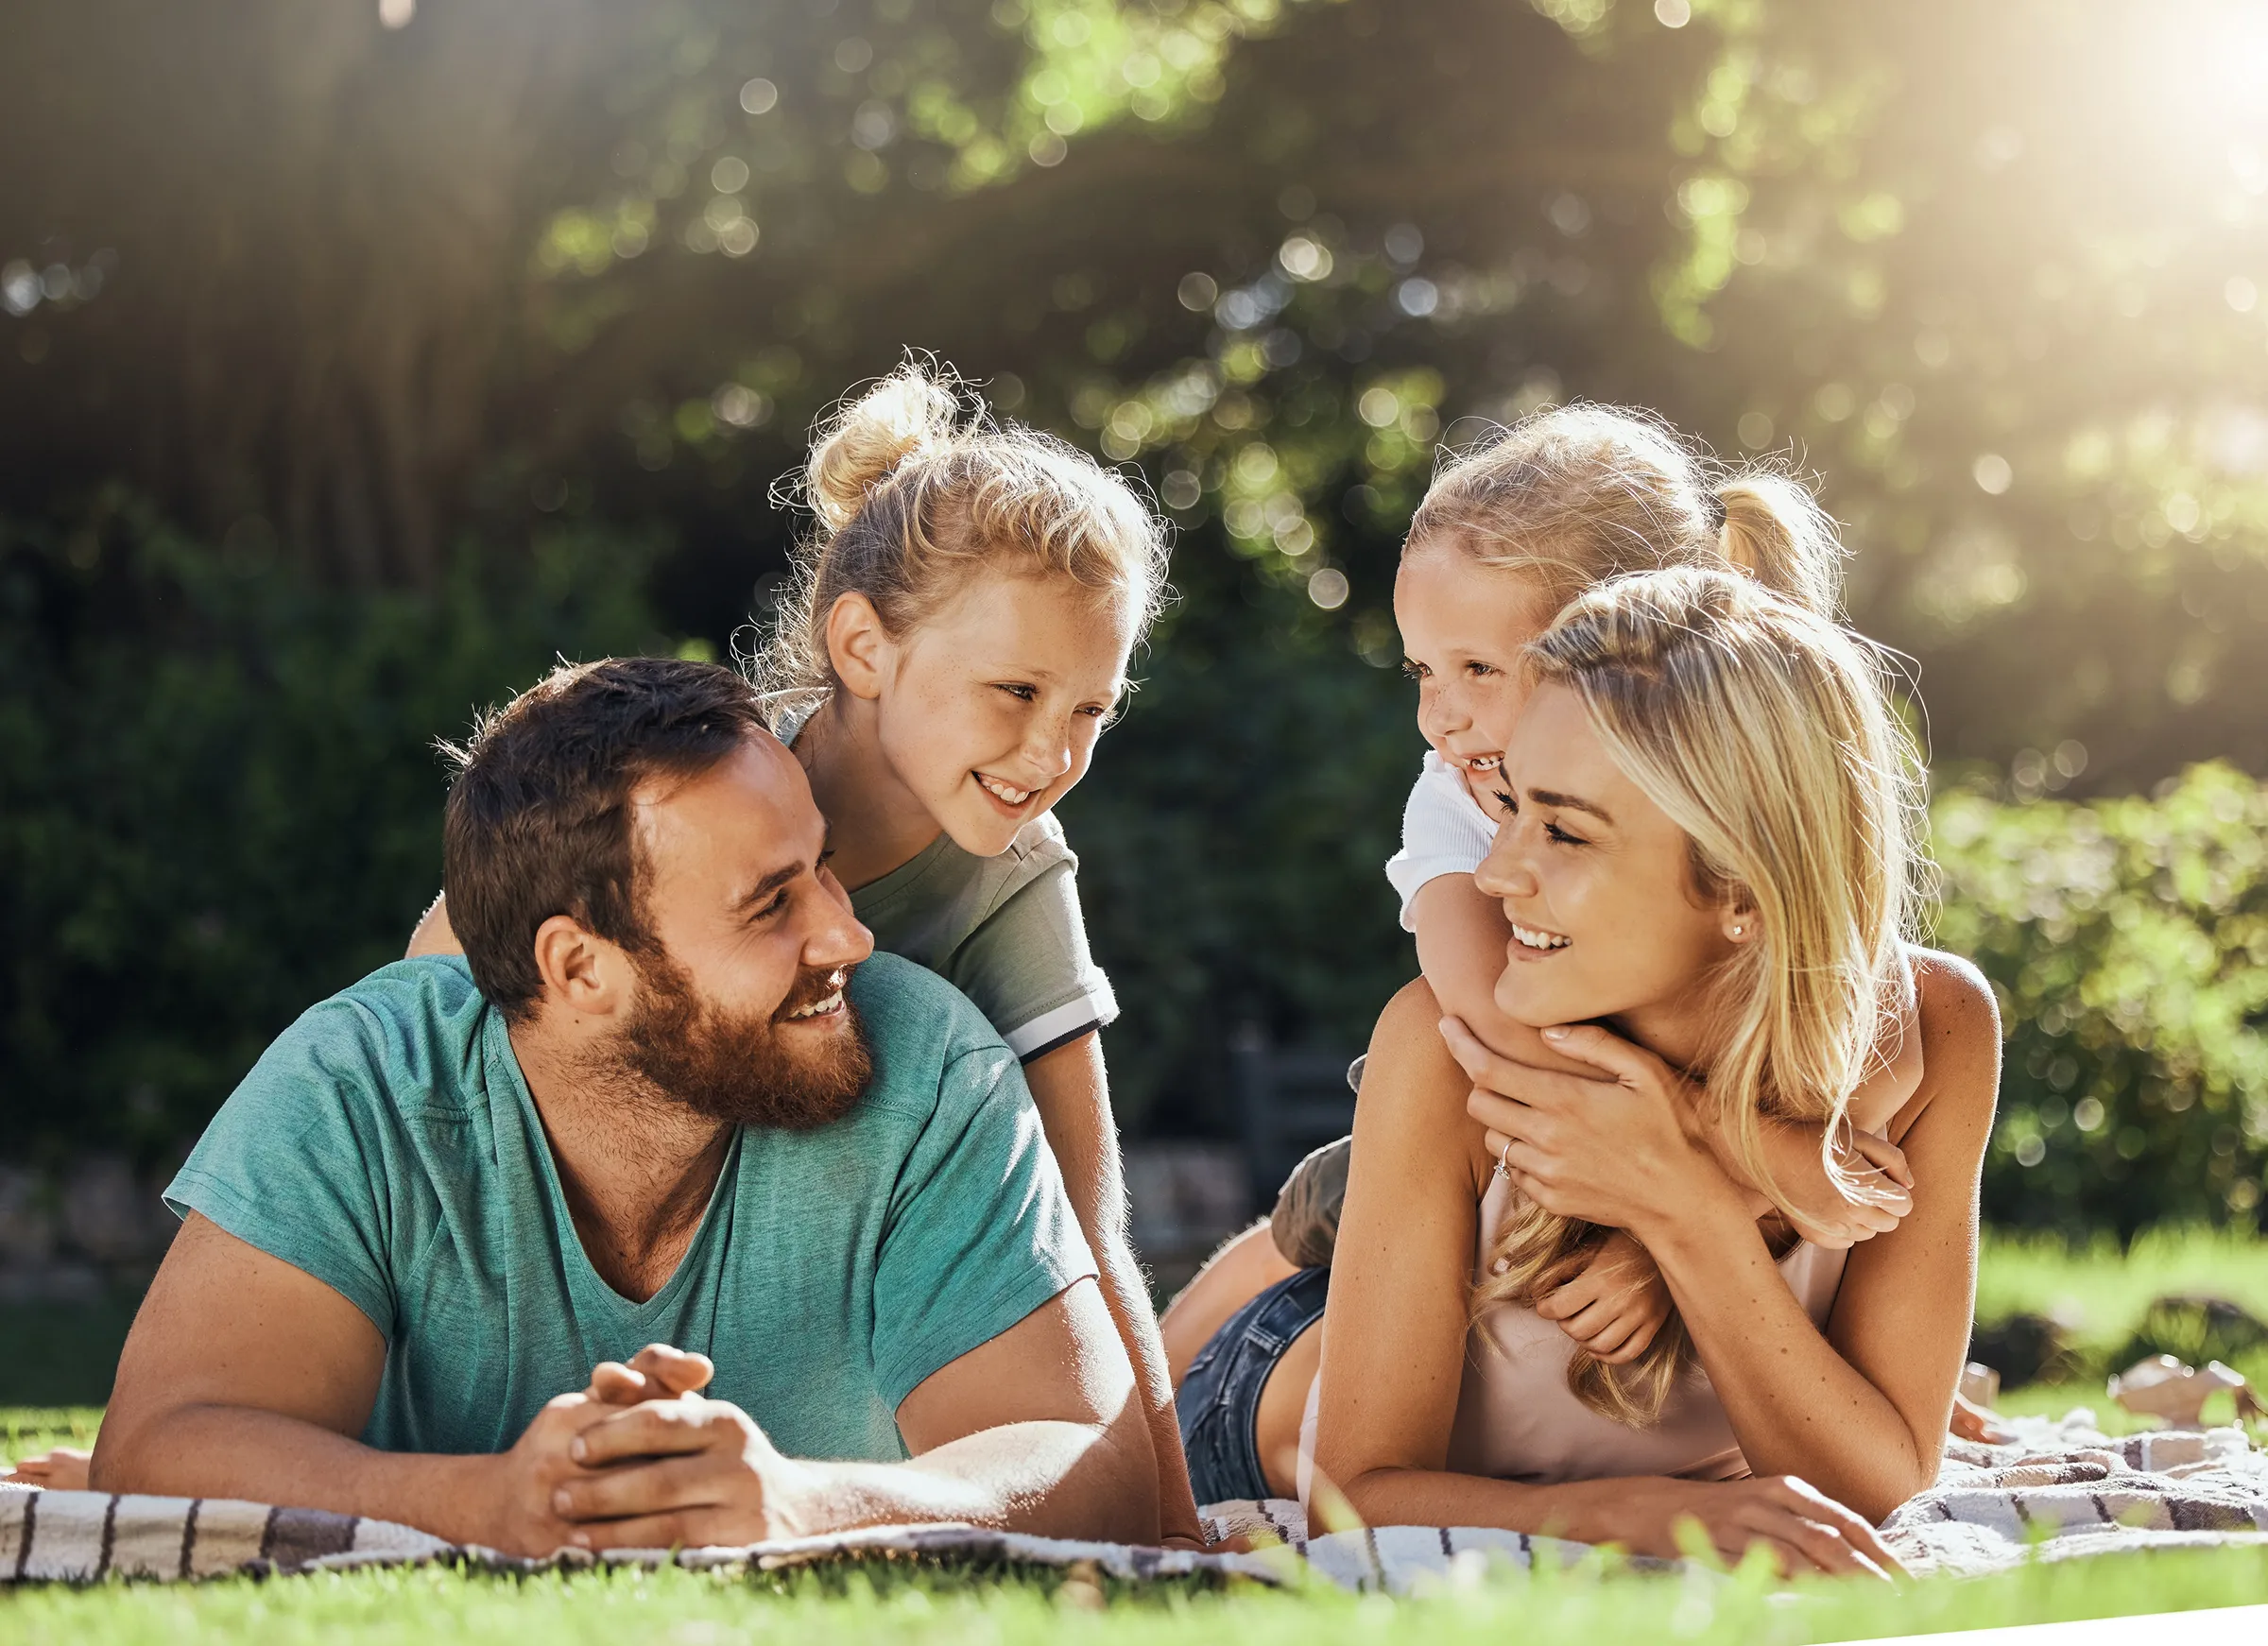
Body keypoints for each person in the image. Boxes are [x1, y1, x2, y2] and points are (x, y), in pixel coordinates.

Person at [88, 657, 1159, 1553]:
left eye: (822, 870)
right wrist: (488, 1503)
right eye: (770, 902)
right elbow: (158, 1444)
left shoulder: (928, 1071)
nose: (847, 936)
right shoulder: (361, 1082)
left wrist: (802, 1502)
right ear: (581, 968)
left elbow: (1096, 1461)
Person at [409, 360, 1202, 1541]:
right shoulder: (704, 778)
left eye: (1091, 706)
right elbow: (431, 1007)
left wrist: (1173, 1520)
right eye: (1017, 689)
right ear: (865, 648)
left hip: (839, 1280)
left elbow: (1089, 1220)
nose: (1052, 750)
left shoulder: (1019, 874)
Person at [1180, 567, 2002, 1576]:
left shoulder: (1930, 1032)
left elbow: (1881, 1483)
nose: (1496, 871)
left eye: (1563, 830)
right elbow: (1360, 1499)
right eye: (1512, 805)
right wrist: (1645, 1514)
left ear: (1742, 886)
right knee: (1229, 1313)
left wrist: (1685, 1207)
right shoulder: (1438, 1044)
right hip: (1266, 1397)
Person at [1162, 407, 1919, 1416]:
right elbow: (1493, 1024)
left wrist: (1695, 1221)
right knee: (1293, 1239)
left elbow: (1871, 1036)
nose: (1441, 714)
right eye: (1424, 671)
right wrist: (1758, 1155)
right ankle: (1136, 1409)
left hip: (1656, 1140)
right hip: (1484, 1134)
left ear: (1620, 648)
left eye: (1479, 668)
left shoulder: (1740, 810)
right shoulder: (1450, 797)